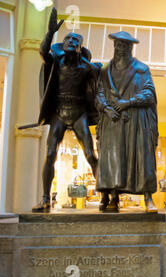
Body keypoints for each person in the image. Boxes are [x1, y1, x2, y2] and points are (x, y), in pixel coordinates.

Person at [32, 8, 101, 212]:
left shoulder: (88, 68)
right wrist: (50, 32)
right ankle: (46, 198)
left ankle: (104, 196)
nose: (70, 41)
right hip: (59, 111)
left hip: (79, 111)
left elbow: (102, 86)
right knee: (50, 153)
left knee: (90, 154)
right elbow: (44, 52)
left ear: (80, 47)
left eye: (75, 40)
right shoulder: (57, 62)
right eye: (67, 39)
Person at [96, 31, 158, 213]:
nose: (120, 48)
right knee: (113, 159)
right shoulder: (105, 70)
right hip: (113, 121)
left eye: (124, 45)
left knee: (141, 157)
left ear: (131, 47)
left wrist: (128, 102)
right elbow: (99, 93)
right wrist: (106, 109)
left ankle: (148, 197)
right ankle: (114, 197)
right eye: (117, 44)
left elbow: (149, 94)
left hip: (136, 121)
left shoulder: (141, 69)